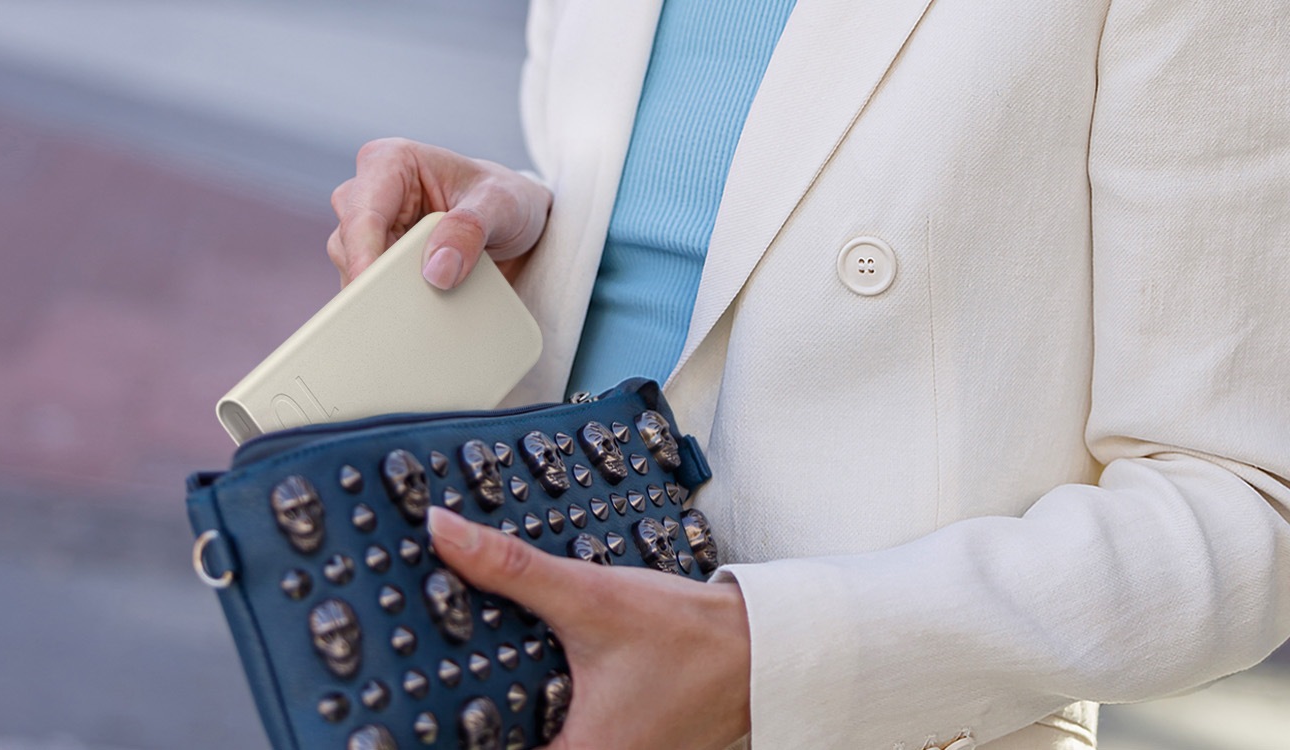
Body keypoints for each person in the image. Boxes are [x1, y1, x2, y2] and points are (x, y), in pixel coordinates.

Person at [325, 2, 1290, 748]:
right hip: (527, 686)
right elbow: (722, 218)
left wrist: (771, 657)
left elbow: (1242, 504)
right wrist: (546, 239)